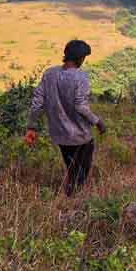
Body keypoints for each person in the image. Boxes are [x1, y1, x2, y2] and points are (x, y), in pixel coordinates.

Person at [24, 39, 104, 195]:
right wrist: (98, 121)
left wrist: (31, 125)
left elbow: (37, 103)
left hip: (59, 134)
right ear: (81, 58)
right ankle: (73, 199)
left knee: (71, 167)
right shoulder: (80, 77)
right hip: (80, 135)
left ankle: (70, 195)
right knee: (80, 172)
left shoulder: (49, 73)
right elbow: (80, 106)